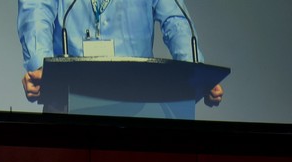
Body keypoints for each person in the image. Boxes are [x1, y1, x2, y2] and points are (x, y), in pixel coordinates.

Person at [17, 0, 223, 106]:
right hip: (68, 97)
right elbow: (36, 12)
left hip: (138, 99)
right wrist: (41, 66)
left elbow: (175, 19)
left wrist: (195, 70)